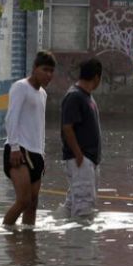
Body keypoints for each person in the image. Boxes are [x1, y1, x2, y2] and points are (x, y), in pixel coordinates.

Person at [2, 51, 56, 228]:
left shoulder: (43, 94)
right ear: (35, 68)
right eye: (45, 70)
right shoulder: (20, 87)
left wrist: (42, 154)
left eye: (51, 71)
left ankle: (27, 244)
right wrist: (14, 147)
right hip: (19, 150)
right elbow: (11, 118)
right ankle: (6, 234)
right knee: (23, 200)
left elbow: (40, 125)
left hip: (36, 153)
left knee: (32, 204)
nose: (49, 74)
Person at [56, 57, 103, 219]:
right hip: (81, 160)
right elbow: (67, 128)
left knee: (73, 203)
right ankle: (80, 242)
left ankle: (64, 232)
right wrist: (79, 155)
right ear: (97, 77)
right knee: (84, 206)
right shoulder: (75, 96)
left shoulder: (86, 96)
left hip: (88, 160)